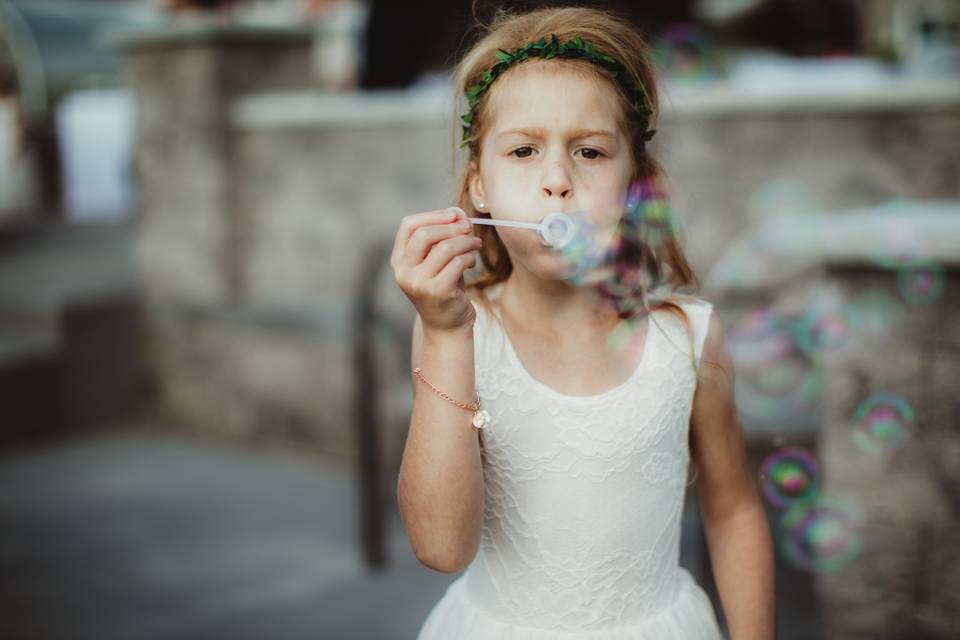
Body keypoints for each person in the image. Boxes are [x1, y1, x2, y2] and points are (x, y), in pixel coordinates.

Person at [391, 5, 775, 639]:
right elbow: (440, 547)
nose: (557, 182)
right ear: (479, 186)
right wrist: (443, 333)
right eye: (522, 150)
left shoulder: (689, 339)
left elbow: (732, 510)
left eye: (590, 152)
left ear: (634, 184)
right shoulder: (462, 330)